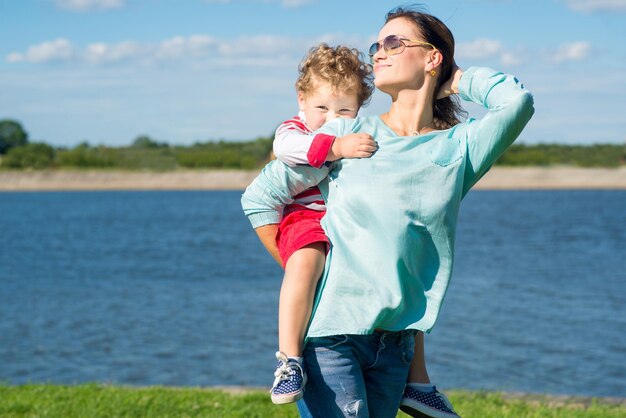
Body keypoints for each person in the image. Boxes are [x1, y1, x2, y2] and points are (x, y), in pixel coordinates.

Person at [242, 5, 534, 418]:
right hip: (330, 338)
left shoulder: (459, 149)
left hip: (397, 346)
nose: (378, 52)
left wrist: (458, 80)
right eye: (377, 44)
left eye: (394, 42)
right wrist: (305, 269)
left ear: (432, 58)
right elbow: (259, 198)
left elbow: (516, 101)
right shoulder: (346, 134)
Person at [263, 43, 378, 405]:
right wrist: (337, 147)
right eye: (322, 108)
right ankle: (290, 360)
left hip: (345, 219)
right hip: (305, 218)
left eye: (344, 109)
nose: (331, 118)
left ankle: (411, 373)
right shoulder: (293, 129)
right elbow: (287, 150)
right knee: (305, 263)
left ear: (358, 107)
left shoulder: (361, 130)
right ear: (301, 98)